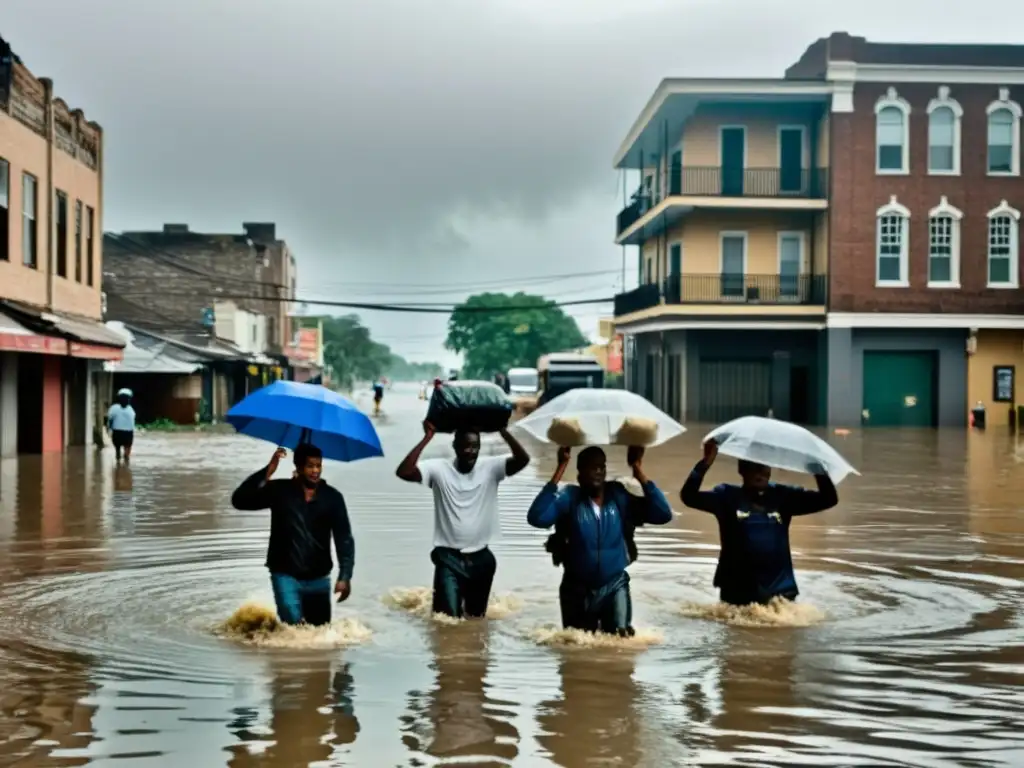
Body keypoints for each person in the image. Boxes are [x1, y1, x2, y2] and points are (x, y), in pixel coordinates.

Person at [527, 445, 672, 636]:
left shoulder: (618, 496)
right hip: (576, 588)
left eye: (601, 467)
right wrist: (560, 468)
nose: (597, 472)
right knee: (577, 649)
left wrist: (637, 471)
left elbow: (663, 514)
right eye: (590, 468)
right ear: (579, 475)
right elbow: (537, 517)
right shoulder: (570, 498)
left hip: (614, 585)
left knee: (621, 643)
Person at [680, 439, 838, 607]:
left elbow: (829, 499)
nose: (759, 472)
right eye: (752, 467)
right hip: (736, 590)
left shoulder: (784, 496)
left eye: (763, 467)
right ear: (741, 470)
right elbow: (689, 497)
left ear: (770, 470)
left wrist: (816, 466)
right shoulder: (726, 496)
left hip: (780, 590)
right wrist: (704, 464)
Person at [395, 421, 530, 619]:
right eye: (466, 446)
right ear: (455, 447)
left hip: (482, 559)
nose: (470, 451)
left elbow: (522, 460)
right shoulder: (438, 468)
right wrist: (427, 439)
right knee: (446, 622)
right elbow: (404, 472)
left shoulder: (491, 467)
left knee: (476, 620)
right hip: (449, 559)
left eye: (475, 447)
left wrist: (503, 431)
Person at [231, 444, 355, 626]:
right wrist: (268, 471)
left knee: (320, 635)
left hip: (319, 577)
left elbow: (344, 538)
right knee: (294, 630)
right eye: (310, 466)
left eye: (318, 466)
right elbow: (239, 500)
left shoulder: (333, 498)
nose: (315, 471)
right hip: (285, 574)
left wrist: (345, 576)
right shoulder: (280, 491)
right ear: (298, 467)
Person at [107, 390, 136, 463]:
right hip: (127, 432)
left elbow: (110, 419)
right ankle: (124, 461)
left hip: (119, 431)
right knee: (126, 447)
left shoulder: (114, 408)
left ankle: (119, 461)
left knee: (119, 447)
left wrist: (109, 428)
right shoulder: (130, 409)